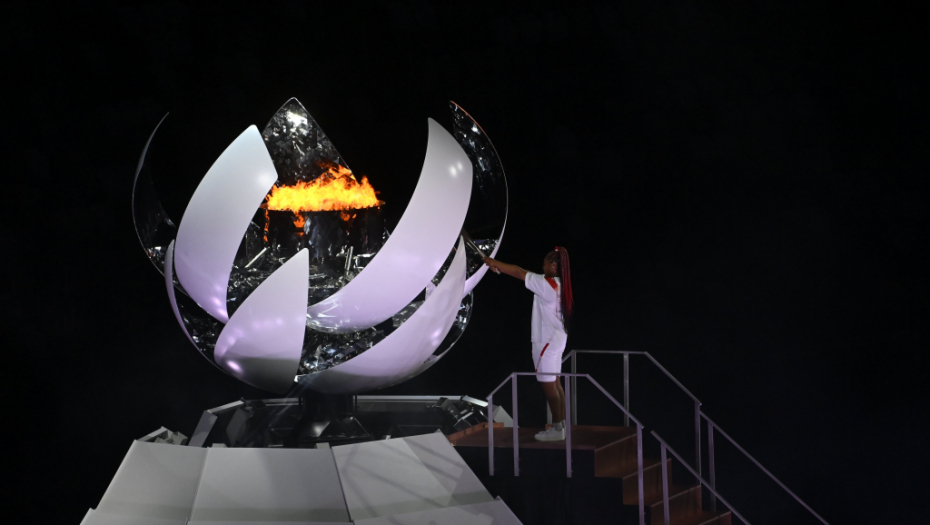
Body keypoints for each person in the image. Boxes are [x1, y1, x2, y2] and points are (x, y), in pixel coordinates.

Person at [482, 247, 573, 441]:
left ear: (553, 267)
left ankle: (558, 429)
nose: (542, 266)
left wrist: (493, 262)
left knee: (549, 387)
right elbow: (523, 273)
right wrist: (500, 267)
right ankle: (561, 426)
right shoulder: (558, 283)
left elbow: (518, 271)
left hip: (546, 341)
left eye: (545, 263)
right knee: (556, 384)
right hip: (557, 339)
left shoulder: (547, 285)